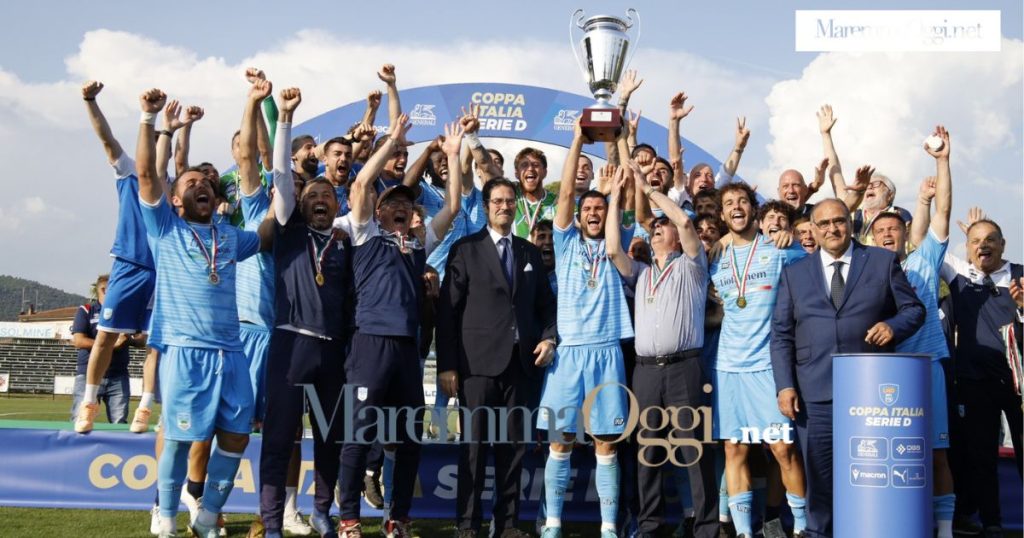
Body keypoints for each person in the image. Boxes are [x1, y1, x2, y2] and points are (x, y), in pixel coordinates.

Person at [134, 88, 266, 538]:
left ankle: (208, 513)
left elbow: (268, 231)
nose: (201, 186)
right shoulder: (165, 229)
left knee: (237, 436)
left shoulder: (230, 236)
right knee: (178, 437)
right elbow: (146, 174)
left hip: (232, 352)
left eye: (205, 183)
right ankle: (166, 514)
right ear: (174, 200)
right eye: (189, 184)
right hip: (186, 350)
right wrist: (151, 121)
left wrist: (283, 189)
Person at [335, 114, 465, 538]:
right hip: (369, 344)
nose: (401, 208)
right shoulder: (364, 234)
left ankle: (398, 518)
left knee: (408, 438)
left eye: (407, 205)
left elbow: (453, 208)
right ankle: (349, 519)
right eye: (393, 203)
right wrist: (392, 141)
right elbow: (360, 184)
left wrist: (453, 156)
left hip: (408, 349)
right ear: (379, 210)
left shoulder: (418, 244)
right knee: (358, 435)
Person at [770, 198, 925, 537]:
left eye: (838, 221)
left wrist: (892, 326)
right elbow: (781, 334)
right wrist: (785, 385)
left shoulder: (882, 261)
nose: (832, 229)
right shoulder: (795, 273)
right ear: (813, 230)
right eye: (823, 224)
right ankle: (819, 532)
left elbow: (914, 310)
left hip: (871, 392)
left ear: (850, 223)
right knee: (820, 476)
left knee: (871, 473)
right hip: (814, 391)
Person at [241, 85, 350, 538]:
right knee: (280, 436)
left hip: (334, 353)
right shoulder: (288, 229)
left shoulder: (345, 242)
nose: (321, 199)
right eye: (313, 194)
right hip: (290, 343)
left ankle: (323, 510)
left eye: (328, 195)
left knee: (330, 438)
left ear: (338, 205)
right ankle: (271, 524)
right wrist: (284, 117)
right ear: (301, 204)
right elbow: (282, 174)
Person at [436, 176, 558, 538]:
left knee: (513, 449)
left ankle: (507, 525)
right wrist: (447, 365)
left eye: (509, 201)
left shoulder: (528, 252)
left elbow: (546, 306)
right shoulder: (465, 249)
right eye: (498, 201)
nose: (504, 206)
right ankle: (467, 524)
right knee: (474, 447)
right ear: (487, 206)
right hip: (476, 367)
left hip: (521, 366)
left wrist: (549, 338)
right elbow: (447, 312)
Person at [605, 165, 719, 538]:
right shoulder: (642, 273)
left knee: (693, 451)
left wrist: (648, 190)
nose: (656, 228)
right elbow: (612, 249)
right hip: (646, 372)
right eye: (652, 227)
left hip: (685, 368)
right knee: (648, 452)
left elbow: (685, 221)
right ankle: (650, 526)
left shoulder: (692, 265)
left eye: (661, 226)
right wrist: (615, 198)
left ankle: (706, 529)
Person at [536, 120, 634, 538]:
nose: (594, 214)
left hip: (607, 351)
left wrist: (621, 141)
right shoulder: (565, 244)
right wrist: (577, 138)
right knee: (560, 442)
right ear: (577, 219)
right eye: (588, 211)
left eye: (600, 209)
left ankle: (608, 528)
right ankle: (553, 525)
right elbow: (565, 194)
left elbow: (628, 189)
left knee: (605, 445)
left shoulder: (618, 239)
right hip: (569, 353)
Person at [870, 125, 956, 538]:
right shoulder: (864, 273)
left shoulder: (924, 259)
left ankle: (943, 530)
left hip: (926, 367)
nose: (887, 234)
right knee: (886, 456)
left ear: (905, 233)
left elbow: (943, 213)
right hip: (882, 374)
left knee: (935, 454)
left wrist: (942, 162)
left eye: (893, 229)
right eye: (880, 231)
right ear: (871, 238)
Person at [709, 183, 809, 538]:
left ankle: (802, 528)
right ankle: (743, 532)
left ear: (754, 209)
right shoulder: (715, 256)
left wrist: (792, 240)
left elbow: (814, 270)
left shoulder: (780, 249)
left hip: (767, 367)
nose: (736, 207)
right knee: (734, 449)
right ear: (723, 214)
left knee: (783, 449)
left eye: (743, 201)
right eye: (729, 203)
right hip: (727, 368)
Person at [74, 80, 159, 434]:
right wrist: (90, 101)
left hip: (160, 270)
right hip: (128, 265)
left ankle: (146, 407)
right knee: (106, 335)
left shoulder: (173, 183)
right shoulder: (128, 170)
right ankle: (88, 402)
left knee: (156, 343)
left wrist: (179, 126)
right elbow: (107, 140)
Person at [941, 212, 1023, 536]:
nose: (982, 246)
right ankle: (992, 523)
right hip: (974, 383)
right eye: (975, 241)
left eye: (990, 240)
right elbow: (923, 241)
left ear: (1004, 244)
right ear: (966, 248)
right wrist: (930, 198)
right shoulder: (960, 273)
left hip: (1018, 385)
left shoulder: (1020, 276)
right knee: (981, 457)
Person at [817, 104, 911, 245]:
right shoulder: (853, 210)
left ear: (890, 195)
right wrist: (826, 135)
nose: (869, 187)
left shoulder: (900, 215)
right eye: (867, 185)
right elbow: (836, 176)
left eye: (876, 184)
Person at [70, 274, 138, 425]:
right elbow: (78, 341)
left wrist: (129, 340)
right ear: (105, 290)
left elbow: (141, 340)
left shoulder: (125, 311)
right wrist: (112, 345)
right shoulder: (86, 310)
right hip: (88, 374)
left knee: (119, 422)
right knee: (80, 419)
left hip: (118, 375)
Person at [512, 147, 558, 239]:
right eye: (524, 165)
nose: (530, 168)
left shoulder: (556, 202)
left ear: (545, 172)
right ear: (517, 173)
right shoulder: (511, 196)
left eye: (536, 165)